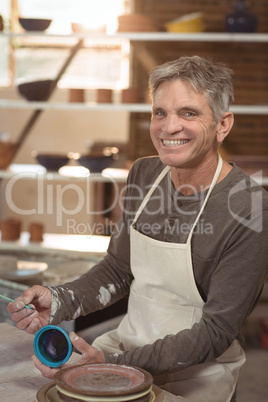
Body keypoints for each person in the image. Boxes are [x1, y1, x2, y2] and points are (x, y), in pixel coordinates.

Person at [7, 56, 268, 402]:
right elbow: (118, 269)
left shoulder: (249, 207)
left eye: (188, 113)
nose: (168, 127)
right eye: (160, 112)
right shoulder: (145, 174)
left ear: (222, 125)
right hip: (126, 345)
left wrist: (114, 366)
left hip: (198, 375)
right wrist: (58, 301)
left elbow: (216, 331)